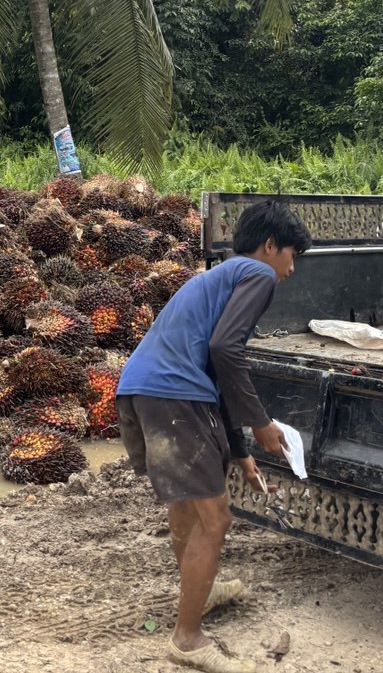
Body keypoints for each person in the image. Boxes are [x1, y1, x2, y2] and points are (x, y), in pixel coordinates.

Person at [116, 200, 312, 673]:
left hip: (142, 390)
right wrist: (262, 423)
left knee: (187, 504)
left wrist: (241, 450)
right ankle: (188, 639)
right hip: (176, 396)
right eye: (291, 255)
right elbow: (227, 351)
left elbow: (215, 368)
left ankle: (198, 592)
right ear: (270, 246)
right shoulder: (257, 274)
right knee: (216, 519)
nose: (290, 269)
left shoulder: (214, 278)